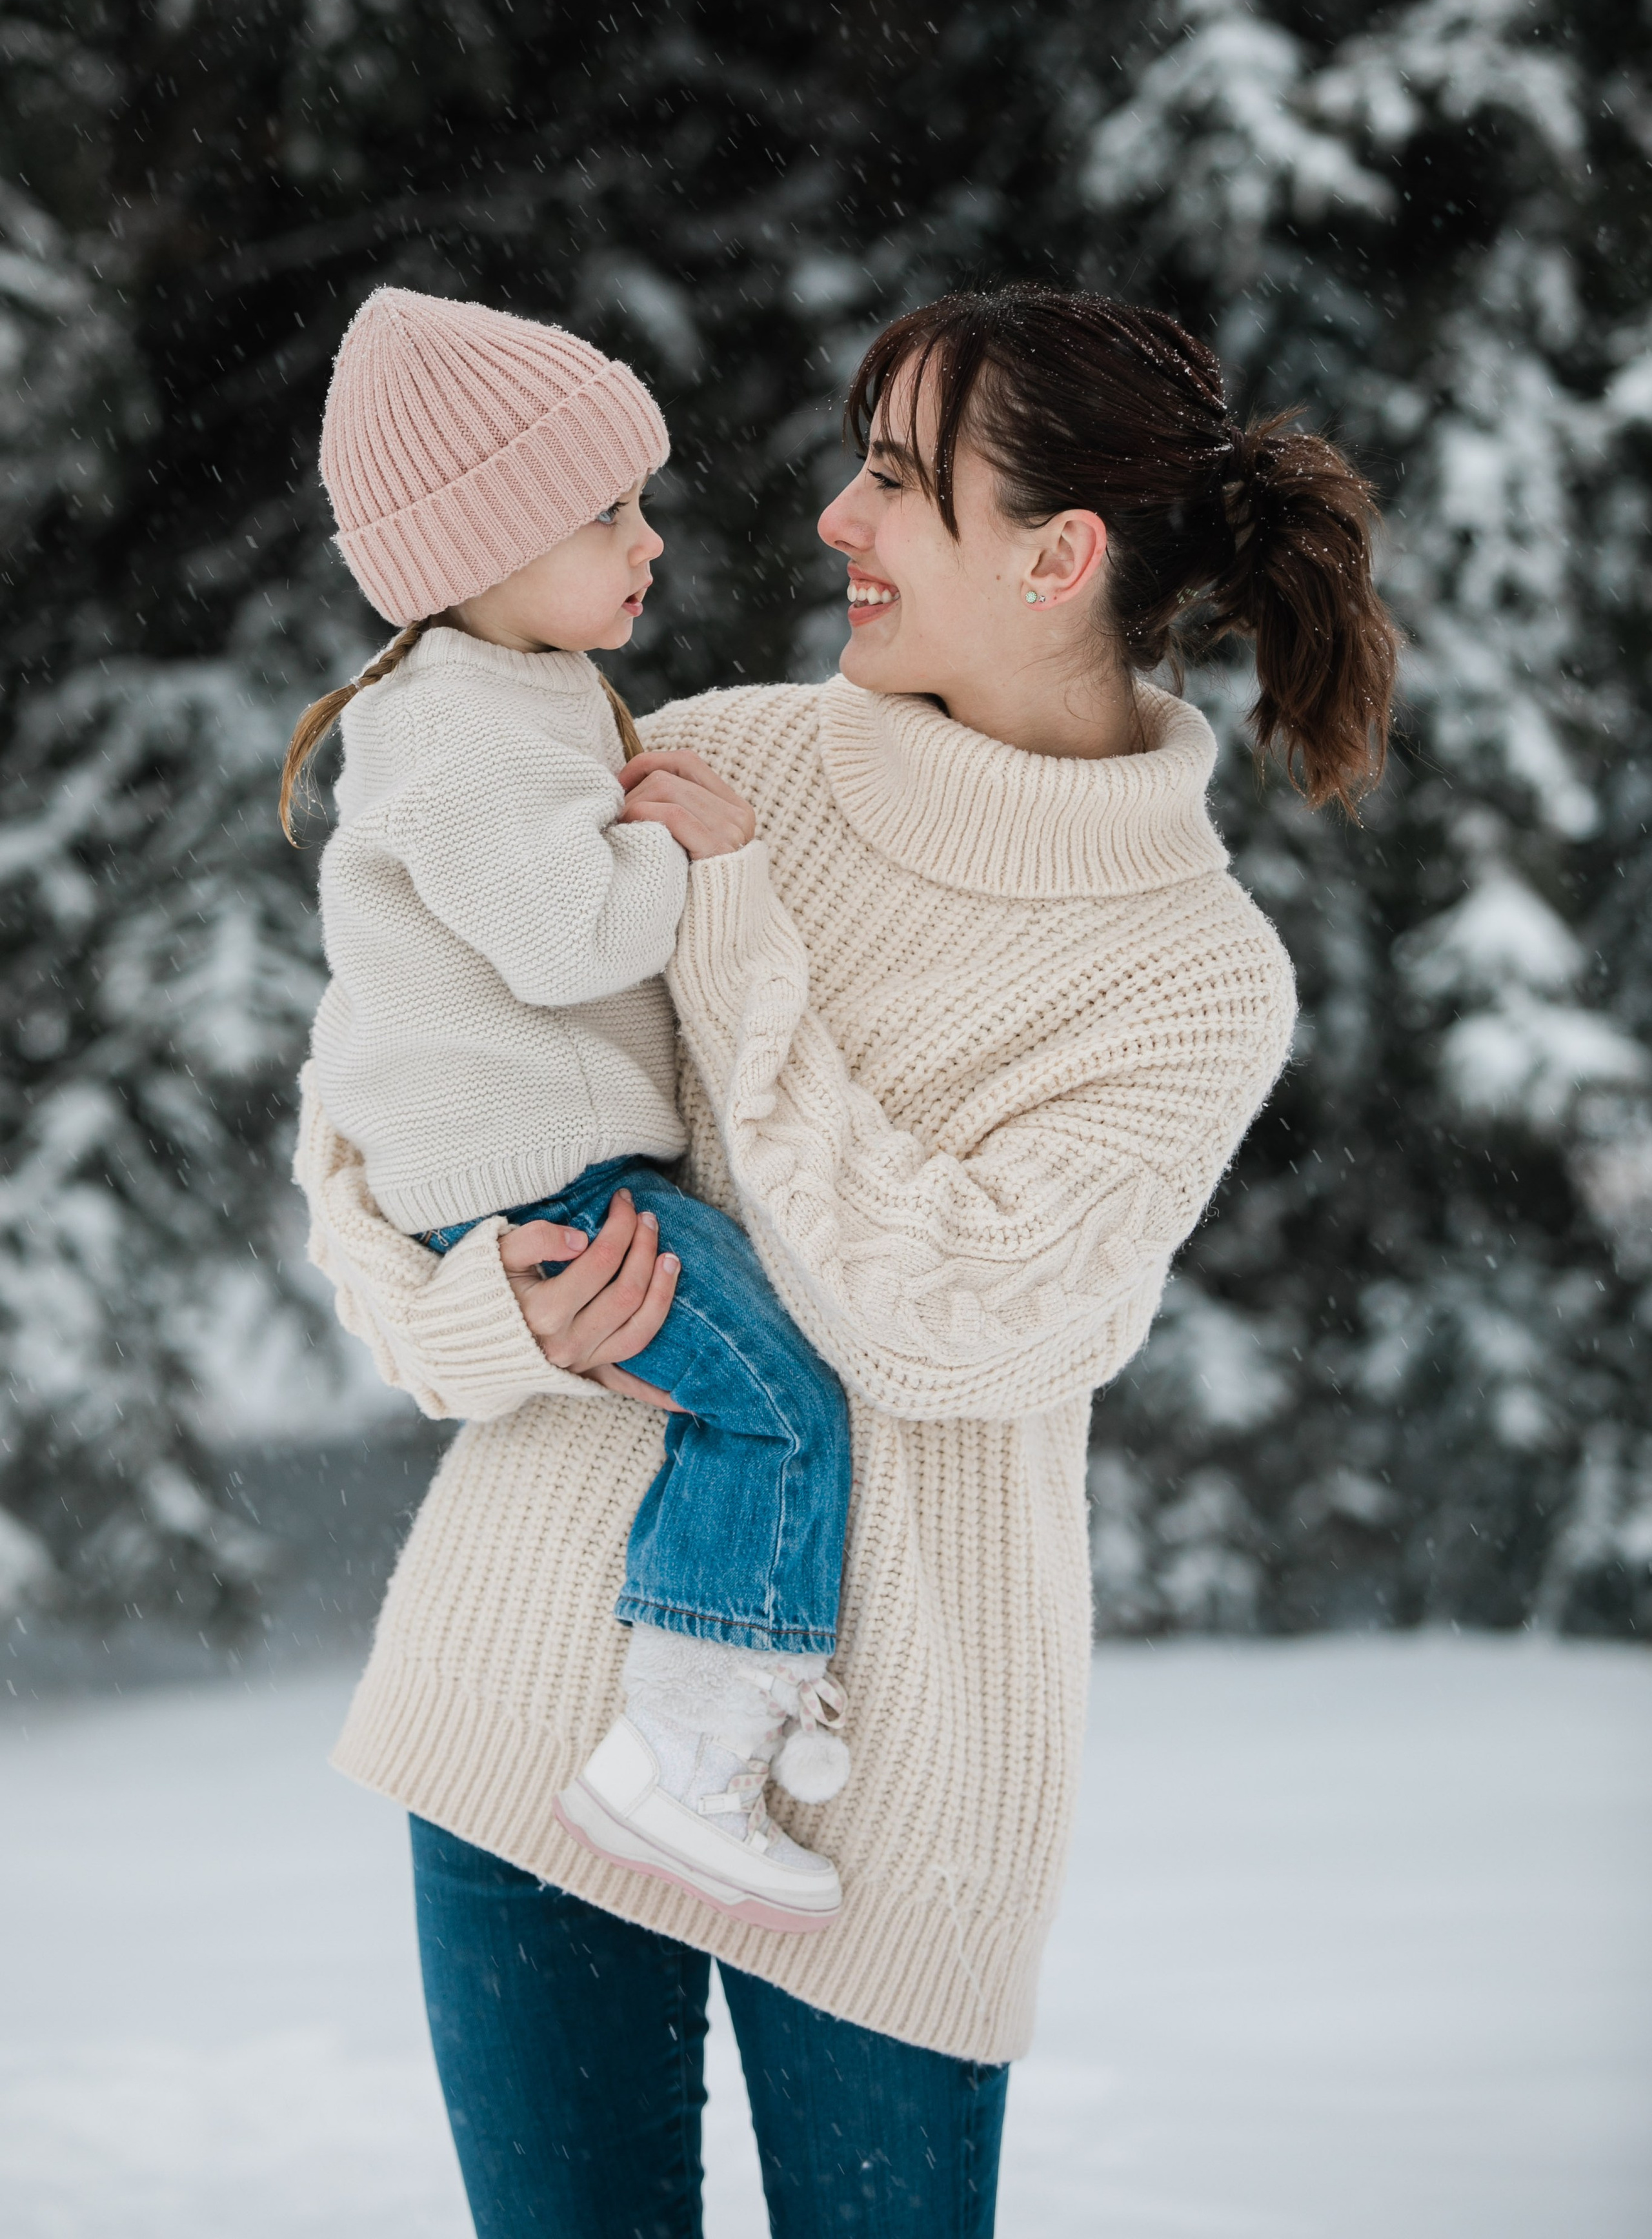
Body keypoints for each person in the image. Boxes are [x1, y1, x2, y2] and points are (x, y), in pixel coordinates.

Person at [296, 282, 1399, 2238]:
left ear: (1059, 558)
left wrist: (732, 949)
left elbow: (957, 1317)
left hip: (910, 1800)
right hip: (531, 1712)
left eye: (895, 478)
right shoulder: (721, 758)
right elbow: (381, 1089)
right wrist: (483, 1316)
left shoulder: (1190, 976)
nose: (831, 517)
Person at [288, 288, 856, 1939]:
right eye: (605, 511)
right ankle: (688, 1753)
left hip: (539, 1172)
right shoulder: (465, 726)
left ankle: (718, 1713)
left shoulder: (493, 699)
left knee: (754, 1396)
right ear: (475, 550)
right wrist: (682, 849)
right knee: (775, 1406)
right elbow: (573, 936)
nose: (650, 541)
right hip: (544, 1186)